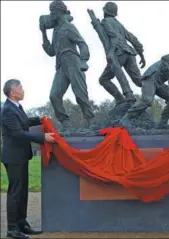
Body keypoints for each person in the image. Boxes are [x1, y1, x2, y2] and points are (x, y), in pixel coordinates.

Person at [1, 79, 56, 239]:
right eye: (20, 88)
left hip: (21, 156)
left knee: (23, 191)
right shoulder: (7, 110)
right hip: (13, 157)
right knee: (15, 192)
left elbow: (24, 122)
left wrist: (39, 119)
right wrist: (43, 137)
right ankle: (12, 229)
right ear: (12, 92)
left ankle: (22, 224)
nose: (23, 90)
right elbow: (18, 133)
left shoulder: (16, 107)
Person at [40, 0, 94, 133]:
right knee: (54, 95)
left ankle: (91, 121)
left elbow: (82, 44)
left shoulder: (69, 27)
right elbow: (52, 52)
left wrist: (83, 60)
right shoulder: (56, 30)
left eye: (53, 10)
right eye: (50, 10)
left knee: (80, 94)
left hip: (73, 61)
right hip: (60, 65)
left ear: (60, 11)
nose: (51, 13)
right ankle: (66, 123)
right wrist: (43, 33)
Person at [99, 1, 146, 106]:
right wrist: (141, 55)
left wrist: (111, 52)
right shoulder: (119, 24)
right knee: (140, 81)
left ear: (105, 11)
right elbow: (132, 38)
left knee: (103, 79)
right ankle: (161, 88)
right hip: (130, 53)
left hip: (118, 53)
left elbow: (114, 37)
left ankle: (122, 98)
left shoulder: (105, 22)